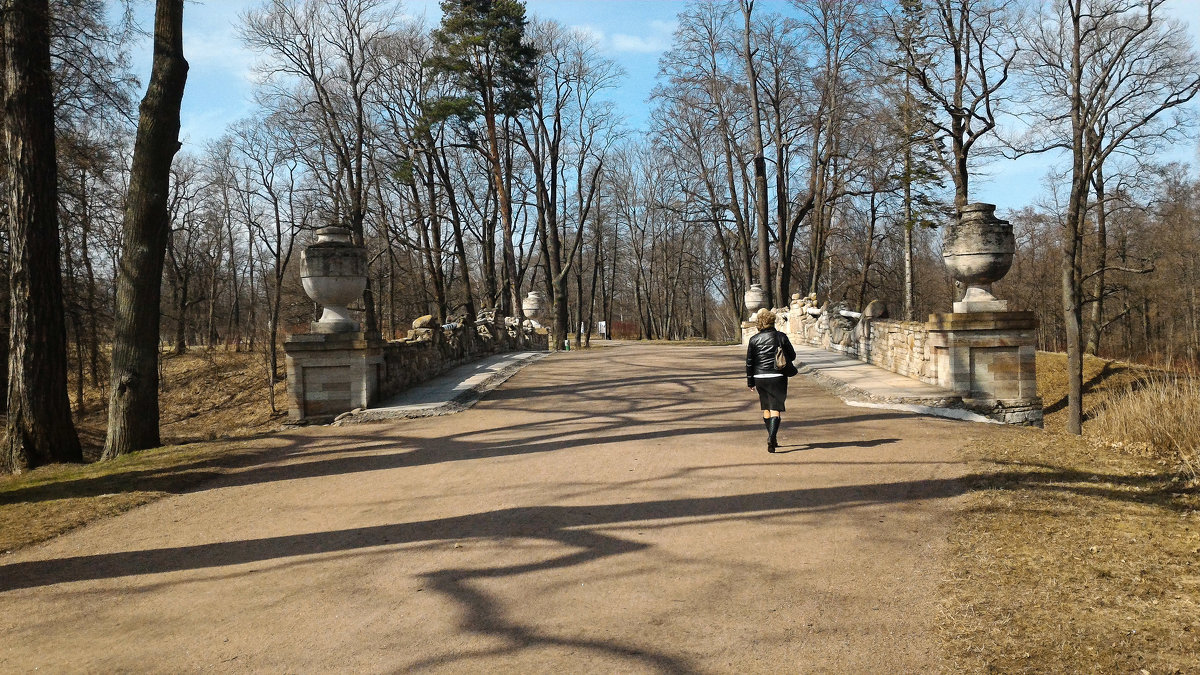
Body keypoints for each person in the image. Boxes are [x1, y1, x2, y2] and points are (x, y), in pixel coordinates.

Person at [746, 310, 795, 453]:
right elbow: (792, 355)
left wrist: (750, 382)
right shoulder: (781, 337)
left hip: (760, 377)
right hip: (777, 376)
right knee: (775, 408)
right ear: (773, 321)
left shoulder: (754, 340)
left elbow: (749, 363)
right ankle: (771, 438)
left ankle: (772, 437)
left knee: (766, 407)